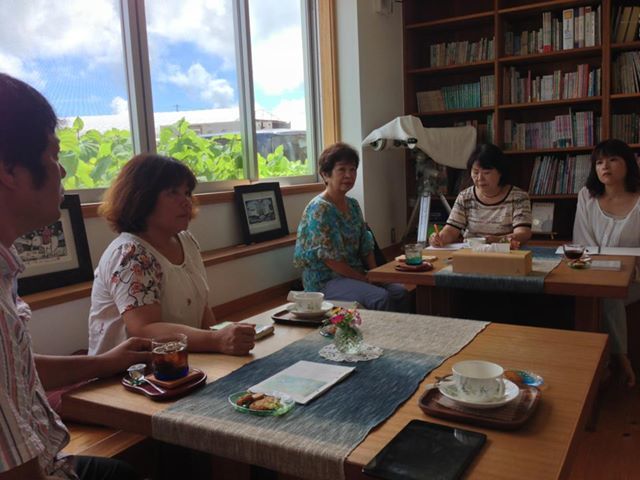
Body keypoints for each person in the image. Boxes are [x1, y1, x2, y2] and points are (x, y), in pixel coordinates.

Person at [0, 73, 151, 480]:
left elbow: (16, 370)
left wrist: (104, 362)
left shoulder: (6, 270)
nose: (63, 170)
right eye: (53, 155)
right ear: (9, 171)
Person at [88, 153, 255, 356]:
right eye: (172, 193)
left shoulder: (185, 240)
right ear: (142, 198)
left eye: (187, 193)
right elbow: (144, 329)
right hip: (131, 371)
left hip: (181, 363)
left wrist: (222, 342)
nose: (186, 202)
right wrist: (215, 340)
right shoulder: (131, 254)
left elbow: (202, 309)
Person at [293, 143, 408, 311]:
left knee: (400, 292)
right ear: (325, 174)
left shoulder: (353, 205)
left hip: (354, 274)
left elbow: (365, 245)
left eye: (352, 169)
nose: (349, 175)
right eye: (342, 169)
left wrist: (375, 274)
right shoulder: (319, 209)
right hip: (326, 281)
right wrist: (364, 279)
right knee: (380, 297)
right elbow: (331, 260)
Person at [573, 139, 640, 387]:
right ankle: (597, 362)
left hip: (636, 277)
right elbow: (582, 241)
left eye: (613, 160)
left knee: (607, 293)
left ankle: (616, 359)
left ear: (628, 164)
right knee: (598, 290)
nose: (605, 167)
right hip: (594, 271)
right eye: (599, 162)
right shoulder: (587, 196)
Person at [429, 143, 532, 248]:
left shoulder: (518, 197)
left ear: (500, 172)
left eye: (486, 173)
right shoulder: (465, 197)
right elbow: (451, 230)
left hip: (506, 252)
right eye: (475, 172)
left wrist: (499, 240)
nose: (480, 178)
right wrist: (439, 237)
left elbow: (523, 233)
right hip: (471, 252)